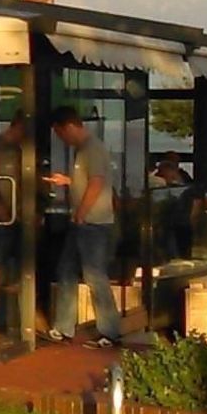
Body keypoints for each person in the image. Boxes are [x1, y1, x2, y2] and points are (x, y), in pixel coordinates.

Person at [47, 106, 121, 347]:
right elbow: (91, 180)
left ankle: (109, 330)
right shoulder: (85, 150)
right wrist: (68, 181)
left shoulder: (92, 149)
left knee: (94, 275)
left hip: (92, 222)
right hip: (83, 221)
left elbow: (97, 183)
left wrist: (80, 213)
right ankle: (63, 326)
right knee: (66, 270)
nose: (61, 139)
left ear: (68, 127)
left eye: (60, 134)